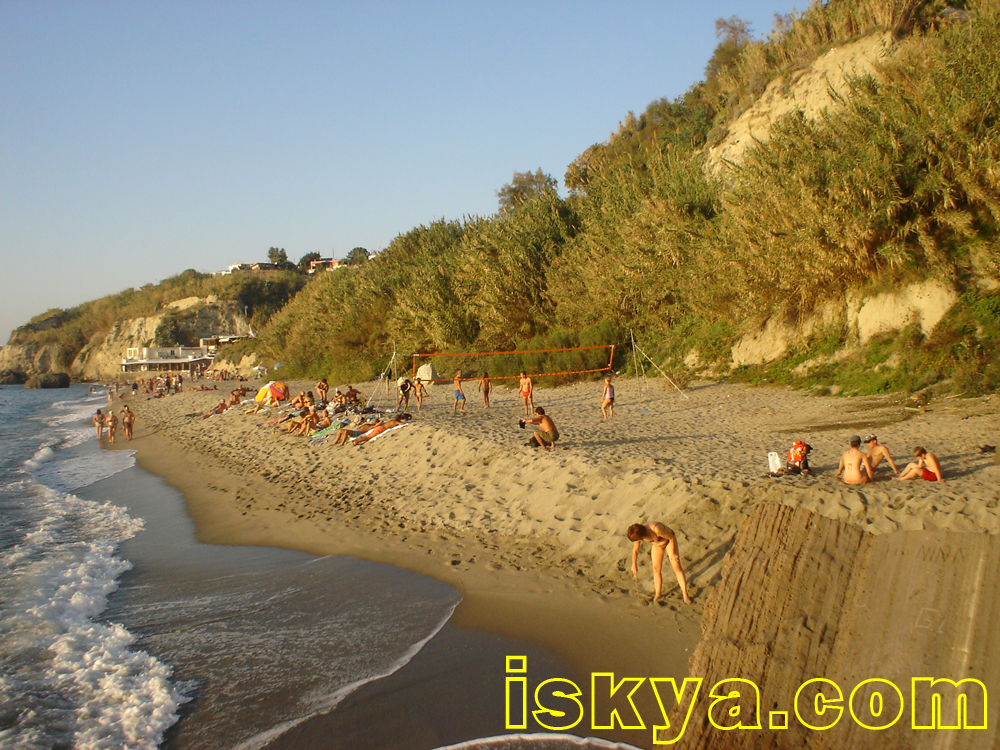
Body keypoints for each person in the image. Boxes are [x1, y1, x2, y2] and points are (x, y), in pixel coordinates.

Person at [627, 522, 692, 605]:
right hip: (657, 545)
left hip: (669, 541)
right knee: (656, 569)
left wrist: (673, 554)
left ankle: (685, 595)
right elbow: (635, 551)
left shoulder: (656, 529)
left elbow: (671, 537)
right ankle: (658, 594)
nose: (637, 541)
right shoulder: (637, 535)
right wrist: (634, 565)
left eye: (638, 540)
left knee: (677, 567)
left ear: (641, 536)